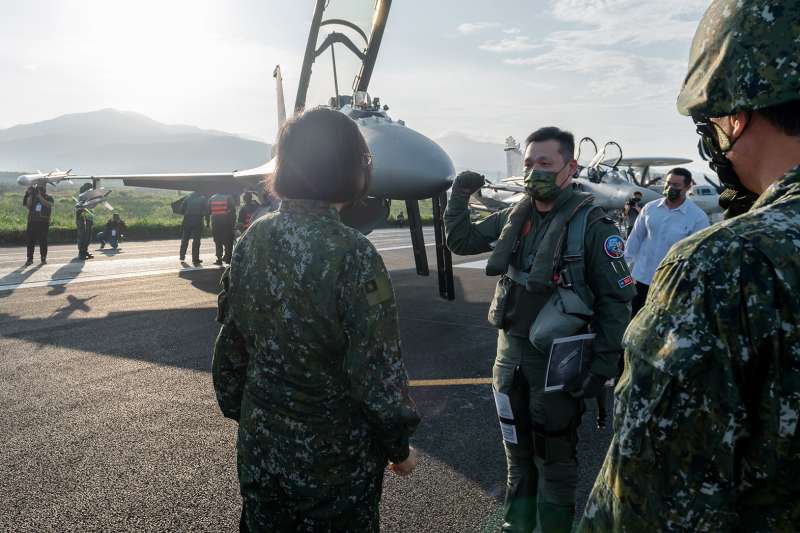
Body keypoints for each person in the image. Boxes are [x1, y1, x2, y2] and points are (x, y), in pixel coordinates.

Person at [578, 1, 800, 530]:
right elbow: (633, 248)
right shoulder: (659, 216)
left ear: (736, 114)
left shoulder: (725, 265)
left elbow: (646, 505)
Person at [212, 107, 420, 532]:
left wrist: (252, 415)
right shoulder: (354, 253)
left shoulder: (253, 238)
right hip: (333, 463)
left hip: (261, 446)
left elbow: (231, 347)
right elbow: (376, 369)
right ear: (351, 169)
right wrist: (398, 447)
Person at [445, 126, 635, 532]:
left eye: (545, 164)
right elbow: (460, 240)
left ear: (570, 168)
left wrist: (602, 367)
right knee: (516, 455)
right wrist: (458, 196)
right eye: (530, 164)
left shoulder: (594, 227)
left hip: (557, 364)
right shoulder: (515, 216)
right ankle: (517, 526)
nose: (534, 172)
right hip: (509, 359)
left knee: (555, 460)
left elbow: (617, 304)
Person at [624, 167, 709, 316]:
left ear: (688, 187)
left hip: (670, 285)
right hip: (642, 279)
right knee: (634, 321)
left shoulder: (698, 217)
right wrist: (623, 267)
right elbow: (635, 239)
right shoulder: (650, 209)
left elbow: (699, 255)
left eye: (676, 185)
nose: (670, 188)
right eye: (668, 183)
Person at [22, 183, 54, 266]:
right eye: (39, 187)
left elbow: (48, 205)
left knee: (43, 241)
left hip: (43, 222)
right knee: (30, 241)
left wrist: (40, 196)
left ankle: (43, 258)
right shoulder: (33, 197)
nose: (40, 189)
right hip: (32, 221)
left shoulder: (49, 197)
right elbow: (28, 206)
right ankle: (29, 259)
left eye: (42, 187)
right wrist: (30, 195)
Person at [179, 191, 209, 266]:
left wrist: (187, 213)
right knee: (196, 241)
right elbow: (207, 212)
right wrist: (207, 223)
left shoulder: (187, 198)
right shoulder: (203, 199)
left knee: (185, 239)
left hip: (187, 220)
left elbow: (181, 210)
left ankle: (182, 256)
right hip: (198, 221)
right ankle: (195, 259)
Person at [208, 193, 236, 265]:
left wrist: (208, 223)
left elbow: (208, 211)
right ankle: (228, 258)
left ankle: (219, 258)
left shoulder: (212, 198)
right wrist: (233, 223)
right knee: (228, 241)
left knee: (217, 241)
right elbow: (233, 211)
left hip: (215, 223)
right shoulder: (228, 197)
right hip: (226, 223)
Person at [75, 183, 95, 260]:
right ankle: (81, 252)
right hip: (82, 219)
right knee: (82, 236)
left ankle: (85, 251)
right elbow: (78, 206)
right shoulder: (82, 198)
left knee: (88, 236)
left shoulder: (89, 198)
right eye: (90, 189)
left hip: (89, 218)